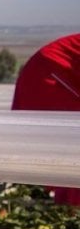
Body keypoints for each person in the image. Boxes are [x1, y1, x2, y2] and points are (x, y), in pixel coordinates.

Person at [11, 33, 80, 206]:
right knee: (70, 148)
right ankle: (69, 207)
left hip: (59, 74)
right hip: (49, 76)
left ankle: (67, 205)